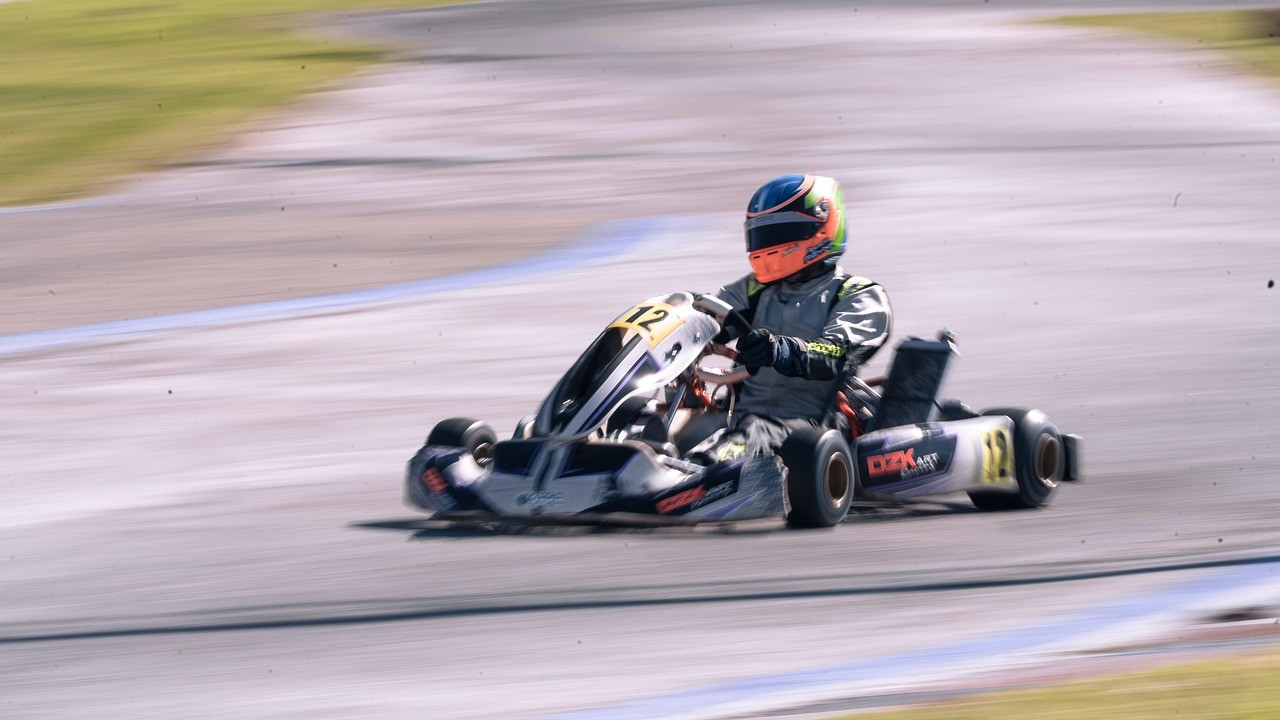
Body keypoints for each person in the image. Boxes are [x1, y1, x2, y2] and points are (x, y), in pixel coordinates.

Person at [705, 174, 892, 462]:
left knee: (745, 438)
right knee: (650, 421)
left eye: (782, 234)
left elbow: (836, 354)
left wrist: (778, 349)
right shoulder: (754, 289)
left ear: (821, 230)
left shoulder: (857, 294)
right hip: (737, 415)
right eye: (762, 235)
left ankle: (689, 476)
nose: (768, 245)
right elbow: (707, 320)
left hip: (808, 425)